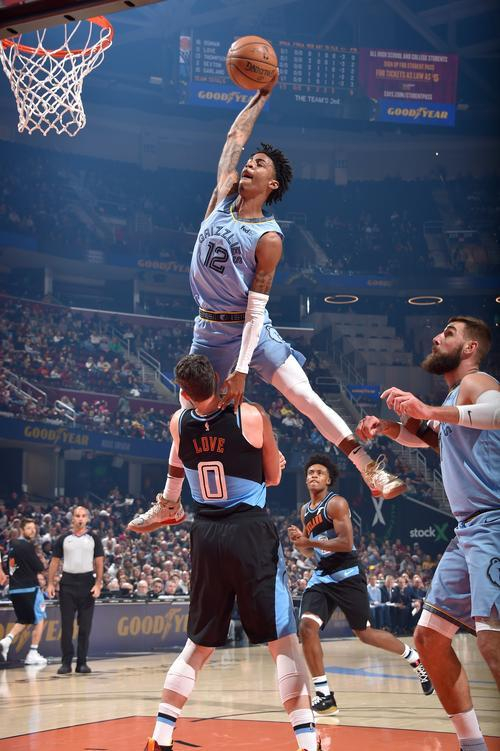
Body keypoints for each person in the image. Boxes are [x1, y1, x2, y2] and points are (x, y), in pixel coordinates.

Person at [160, 72, 404, 509]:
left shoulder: (269, 238)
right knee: (185, 413)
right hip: (208, 330)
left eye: (259, 164)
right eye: (250, 161)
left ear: (272, 185)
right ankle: (170, 502)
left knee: (305, 396)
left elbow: (255, 311)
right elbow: (234, 137)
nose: (249, 165)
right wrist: (260, 96)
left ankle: (371, 469)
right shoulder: (220, 198)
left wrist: (240, 369)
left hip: (250, 330)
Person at [129, 354, 320, 751]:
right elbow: (273, 476)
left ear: (183, 393)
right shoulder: (251, 415)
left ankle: (160, 736)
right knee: (283, 641)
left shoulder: (178, 422)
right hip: (249, 531)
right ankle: (307, 741)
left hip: (205, 532)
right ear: (218, 379)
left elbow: (185, 462)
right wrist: (270, 456)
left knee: (197, 645)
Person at [356, 315, 500, 751]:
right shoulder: (455, 400)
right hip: (467, 531)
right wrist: (388, 427)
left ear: (470, 348)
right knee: (429, 640)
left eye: (449, 333)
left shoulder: (477, 383)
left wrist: (427, 411)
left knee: (493, 644)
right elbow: (432, 440)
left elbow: (497, 412)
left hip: (493, 523)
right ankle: (472, 745)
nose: (437, 337)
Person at [287, 454, 433, 716]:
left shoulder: (336, 503)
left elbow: (345, 543)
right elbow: (310, 551)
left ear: (328, 480)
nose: (313, 475)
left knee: (365, 634)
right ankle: (324, 695)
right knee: (306, 628)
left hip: (347, 575)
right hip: (322, 576)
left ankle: (414, 658)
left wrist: (309, 542)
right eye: (310, 472)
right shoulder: (305, 510)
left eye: (319, 472)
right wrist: (300, 542)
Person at [47, 506, 104, 675]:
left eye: (83, 516)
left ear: (88, 519)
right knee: (66, 626)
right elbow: (54, 562)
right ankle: (66, 662)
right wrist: (50, 583)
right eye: (77, 516)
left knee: (85, 627)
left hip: (87, 584)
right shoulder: (63, 538)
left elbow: (99, 562)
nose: (80, 518)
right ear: (72, 518)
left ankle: (82, 663)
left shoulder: (94, 538)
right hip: (67, 584)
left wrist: (98, 584)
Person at [0, 518, 48, 665]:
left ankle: (6, 641)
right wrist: (40, 560)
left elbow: (11, 568)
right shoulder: (27, 546)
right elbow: (39, 567)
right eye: (29, 528)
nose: (32, 531)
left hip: (15, 590)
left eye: (34, 528)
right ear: (22, 529)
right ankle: (33, 652)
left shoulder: (12, 547)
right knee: (40, 619)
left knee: (24, 619)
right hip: (30, 589)